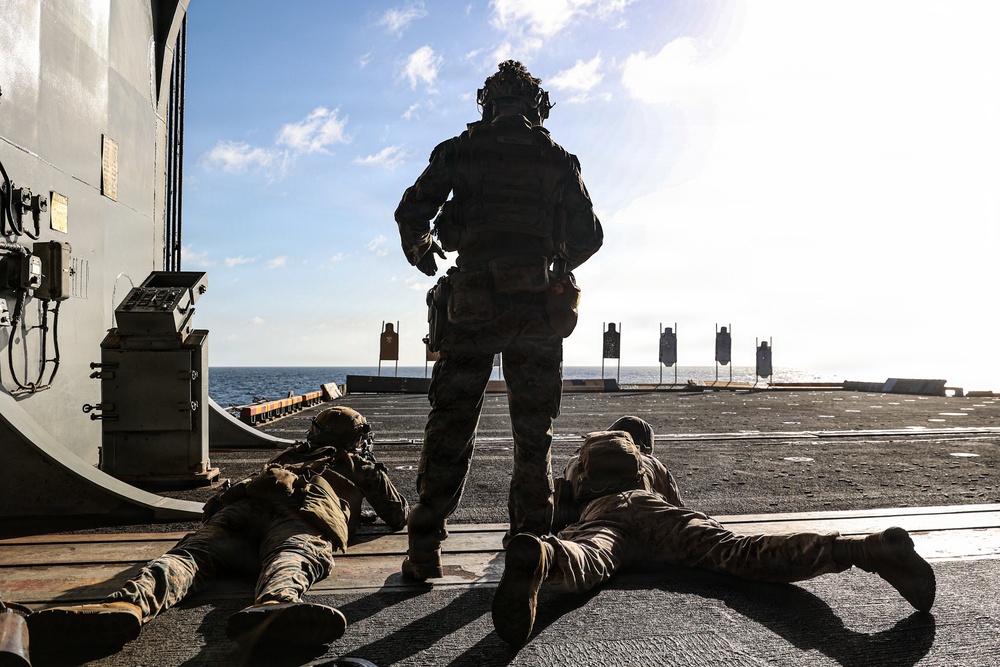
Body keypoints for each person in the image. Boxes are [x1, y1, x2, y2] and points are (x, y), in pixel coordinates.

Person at [394, 60, 603, 580]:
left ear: (486, 103)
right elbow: (590, 235)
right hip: (534, 304)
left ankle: (425, 545)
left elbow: (412, 211)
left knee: (451, 421)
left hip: (471, 303)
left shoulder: (459, 150)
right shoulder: (557, 159)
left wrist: (423, 252)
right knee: (534, 431)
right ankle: (529, 545)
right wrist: (555, 266)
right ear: (538, 106)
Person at [492, 417, 936, 646]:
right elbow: (677, 508)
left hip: (604, 518)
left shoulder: (579, 462)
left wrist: (553, 530)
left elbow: (557, 506)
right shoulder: (651, 463)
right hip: (657, 514)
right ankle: (864, 550)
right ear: (642, 445)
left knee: (591, 556)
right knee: (740, 552)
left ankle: (545, 559)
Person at [28, 407, 409, 650]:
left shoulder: (290, 455)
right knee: (292, 556)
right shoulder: (356, 465)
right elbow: (397, 515)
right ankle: (276, 605)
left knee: (188, 558)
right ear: (355, 439)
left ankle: (127, 603)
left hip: (241, 510)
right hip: (302, 515)